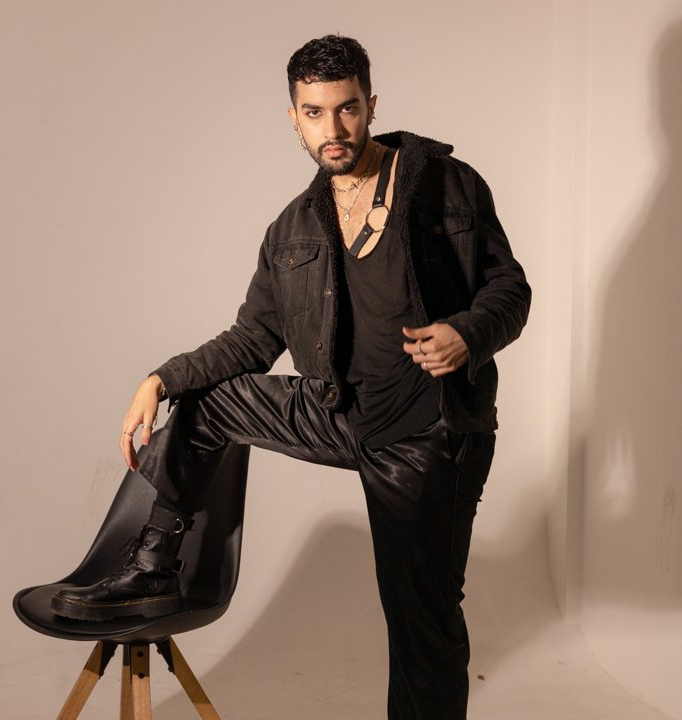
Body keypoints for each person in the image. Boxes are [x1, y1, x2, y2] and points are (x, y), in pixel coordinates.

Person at [51, 34, 530, 718]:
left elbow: (509, 290)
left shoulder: (446, 184)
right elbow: (252, 340)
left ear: (371, 104)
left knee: (421, 623)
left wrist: (468, 335)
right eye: (314, 113)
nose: (334, 130)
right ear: (293, 117)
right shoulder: (293, 230)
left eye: (347, 109)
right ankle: (153, 565)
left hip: (428, 435)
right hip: (338, 412)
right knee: (209, 400)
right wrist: (159, 380)